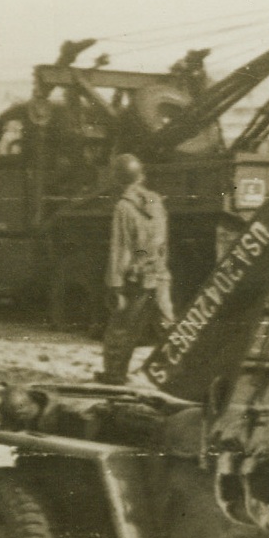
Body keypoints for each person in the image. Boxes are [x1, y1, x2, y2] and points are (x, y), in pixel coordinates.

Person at [97, 154, 173, 385]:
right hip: (159, 273)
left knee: (121, 328)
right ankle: (184, 372)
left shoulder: (123, 206)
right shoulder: (155, 201)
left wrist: (115, 286)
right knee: (168, 327)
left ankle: (114, 374)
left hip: (136, 279)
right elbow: (162, 240)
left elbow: (120, 249)